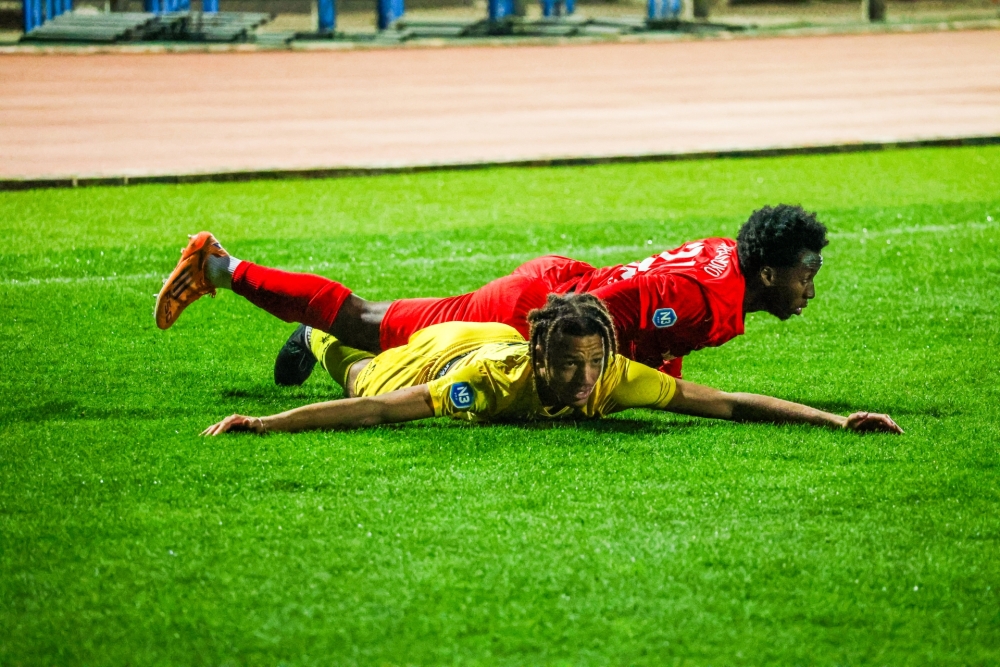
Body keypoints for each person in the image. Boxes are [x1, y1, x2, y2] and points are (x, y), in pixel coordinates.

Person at [155, 206, 827, 387]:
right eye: (805, 274)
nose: (810, 288)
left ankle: (308, 331)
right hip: (533, 309)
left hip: (554, 284)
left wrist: (657, 381)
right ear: (768, 273)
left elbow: (653, 328)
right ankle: (220, 267)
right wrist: (557, 351)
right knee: (369, 324)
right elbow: (617, 298)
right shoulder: (704, 298)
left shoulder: (727, 259)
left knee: (382, 331)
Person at [193, 290, 901, 436]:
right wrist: (266, 424)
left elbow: (728, 403)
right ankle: (314, 335)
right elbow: (377, 410)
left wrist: (835, 421)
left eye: (593, 363)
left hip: (487, 331)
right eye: (570, 366)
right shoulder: (488, 387)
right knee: (359, 370)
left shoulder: (611, 375)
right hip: (452, 355)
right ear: (541, 355)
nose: (585, 380)